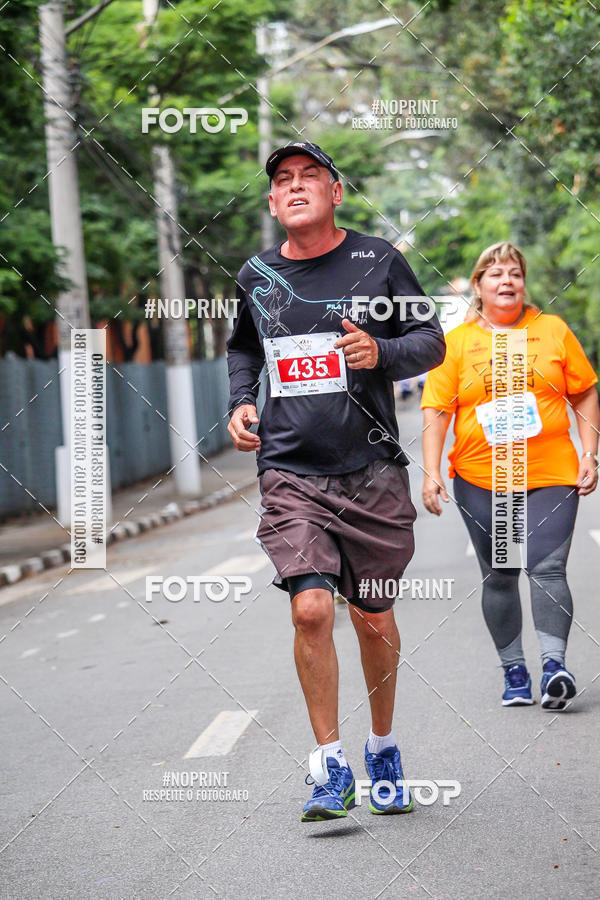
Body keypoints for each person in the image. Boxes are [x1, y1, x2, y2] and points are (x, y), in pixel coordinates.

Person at [226, 141, 446, 821]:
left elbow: (432, 341)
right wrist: (240, 402)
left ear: (335, 192)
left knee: (372, 617)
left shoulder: (377, 260)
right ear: (272, 202)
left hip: (371, 471)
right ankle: (329, 766)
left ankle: (383, 747)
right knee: (312, 609)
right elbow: (243, 348)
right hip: (290, 469)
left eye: (309, 177)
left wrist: (381, 350)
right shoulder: (257, 274)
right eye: (283, 181)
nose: (295, 187)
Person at [421, 241, 599, 710]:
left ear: (523, 283)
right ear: (478, 285)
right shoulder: (457, 344)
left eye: (515, 273)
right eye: (496, 274)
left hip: (550, 472)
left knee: (547, 567)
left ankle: (555, 668)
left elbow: (583, 392)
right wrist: (431, 471)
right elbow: (437, 409)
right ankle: (515, 670)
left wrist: (590, 452)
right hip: (484, 477)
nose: (507, 281)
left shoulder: (552, 330)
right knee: (501, 572)